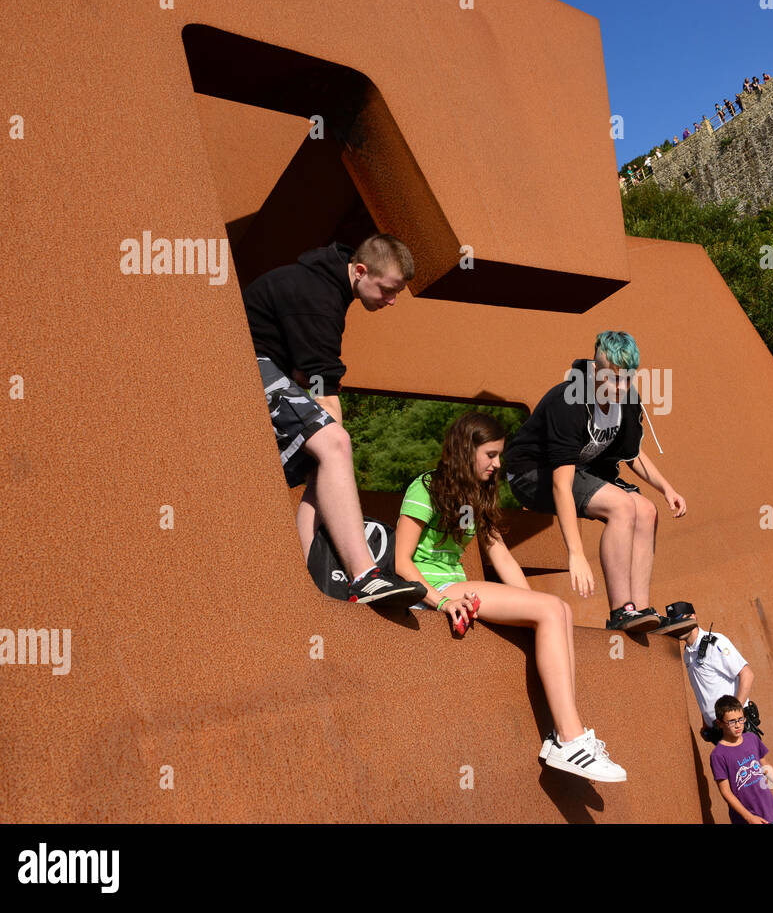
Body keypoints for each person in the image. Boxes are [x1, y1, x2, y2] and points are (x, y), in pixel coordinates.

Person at [394, 412, 626, 781]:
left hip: (459, 585)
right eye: (490, 454)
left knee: (559, 609)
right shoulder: (425, 488)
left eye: (499, 455)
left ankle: (567, 734)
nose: (497, 464)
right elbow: (401, 562)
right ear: (464, 450)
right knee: (550, 611)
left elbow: (498, 551)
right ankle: (570, 739)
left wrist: (533, 606)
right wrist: (441, 601)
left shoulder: (472, 495)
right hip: (435, 590)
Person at [243, 234, 427, 606]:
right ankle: (366, 576)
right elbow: (324, 391)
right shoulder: (317, 298)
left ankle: (306, 571)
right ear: (360, 271)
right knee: (335, 443)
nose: (392, 301)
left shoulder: (327, 284)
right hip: (240, 367)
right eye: (389, 290)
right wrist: (337, 446)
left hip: (269, 369)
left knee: (324, 461)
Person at [502, 332, 687, 634]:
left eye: (627, 379)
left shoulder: (625, 400)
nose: (621, 387)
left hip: (578, 470)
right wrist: (575, 553)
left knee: (647, 510)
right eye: (614, 380)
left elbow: (632, 452)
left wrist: (667, 489)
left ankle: (640, 611)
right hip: (531, 474)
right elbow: (562, 486)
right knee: (622, 507)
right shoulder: (569, 401)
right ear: (596, 371)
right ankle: (620, 612)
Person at [710, 695, 773, 824]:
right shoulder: (718, 755)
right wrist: (749, 817)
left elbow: (765, 767)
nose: (738, 725)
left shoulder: (752, 739)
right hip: (746, 819)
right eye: (732, 721)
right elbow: (725, 792)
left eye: (740, 719)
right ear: (720, 723)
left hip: (770, 812)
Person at [671, 603, 754, 738]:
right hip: (717, 730)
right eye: (673, 624)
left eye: (680, 620)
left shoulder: (715, 643)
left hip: (736, 728)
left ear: (693, 617)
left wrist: (735, 715)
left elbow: (747, 674)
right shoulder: (687, 653)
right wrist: (705, 722)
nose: (677, 627)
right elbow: (703, 691)